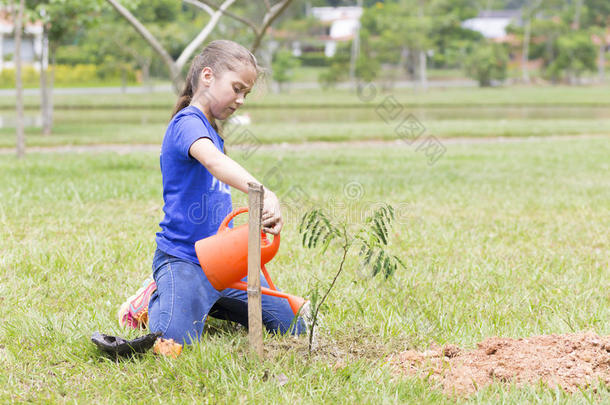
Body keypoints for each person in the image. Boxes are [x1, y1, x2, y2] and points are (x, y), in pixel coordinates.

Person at [119, 40, 305, 346]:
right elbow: (215, 163)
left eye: (246, 92)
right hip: (184, 261)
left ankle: (207, 302)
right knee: (171, 343)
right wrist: (264, 192)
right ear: (208, 76)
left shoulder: (212, 132)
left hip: (222, 263)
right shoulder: (187, 123)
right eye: (237, 88)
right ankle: (151, 296)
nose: (241, 99)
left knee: (296, 324)